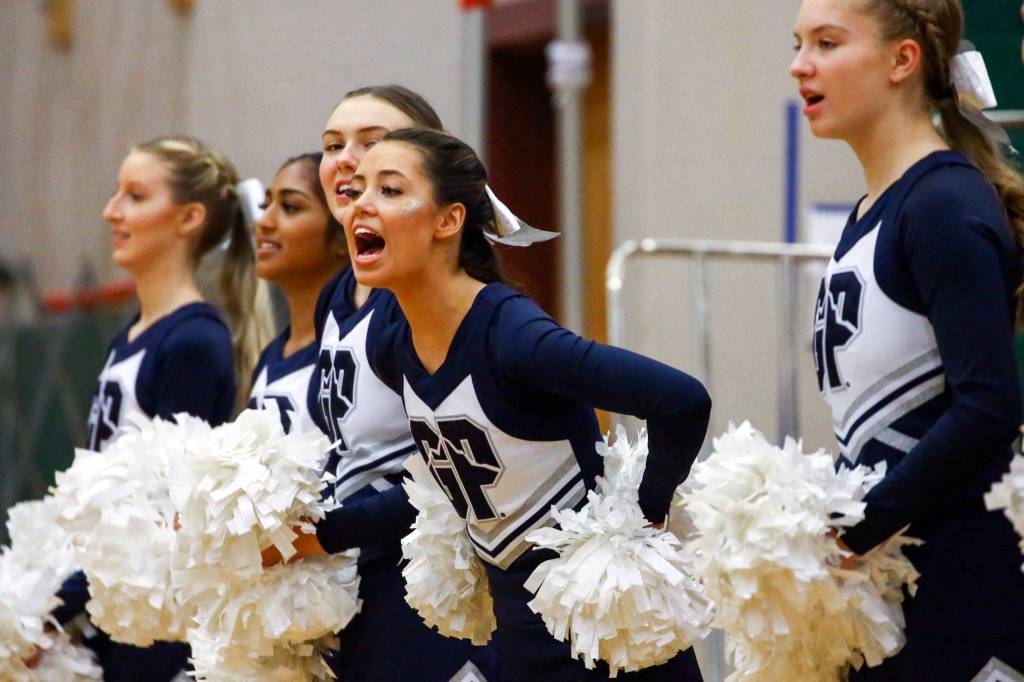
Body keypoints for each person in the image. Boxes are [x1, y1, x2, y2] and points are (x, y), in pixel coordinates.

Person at [328, 127, 710, 680]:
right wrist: (321, 534)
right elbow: (442, 486)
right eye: (358, 189)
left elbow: (681, 400)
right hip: (518, 641)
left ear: (448, 220)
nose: (361, 203)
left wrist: (641, 521)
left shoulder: (512, 335)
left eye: (389, 190)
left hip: (610, 642)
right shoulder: (392, 346)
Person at [792, 1, 1024, 678]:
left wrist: (852, 526)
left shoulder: (943, 205)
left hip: (962, 588)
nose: (800, 63)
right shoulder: (874, 209)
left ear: (903, 60)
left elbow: (987, 406)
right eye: (799, 42)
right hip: (893, 585)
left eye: (828, 42)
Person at [264, 85, 495, 682]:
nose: (347, 160)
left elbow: (454, 477)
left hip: (436, 589)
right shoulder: (342, 293)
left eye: (371, 144)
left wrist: (315, 536)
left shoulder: (418, 300)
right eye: (333, 145)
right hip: (364, 581)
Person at [54, 135, 270, 681]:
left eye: (135, 196)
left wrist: (53, 607)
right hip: (111, 606)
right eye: (116, 194)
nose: (112, 211)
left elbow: (170, 509)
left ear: (188, 218)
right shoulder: (132, 333)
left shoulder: (194, 342)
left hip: (160, 625)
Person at [248, 152, 347, 435]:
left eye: (290, 207)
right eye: (264, 205)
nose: (263, 222)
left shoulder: (356, 351)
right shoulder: (271, 355)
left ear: (343, 234)